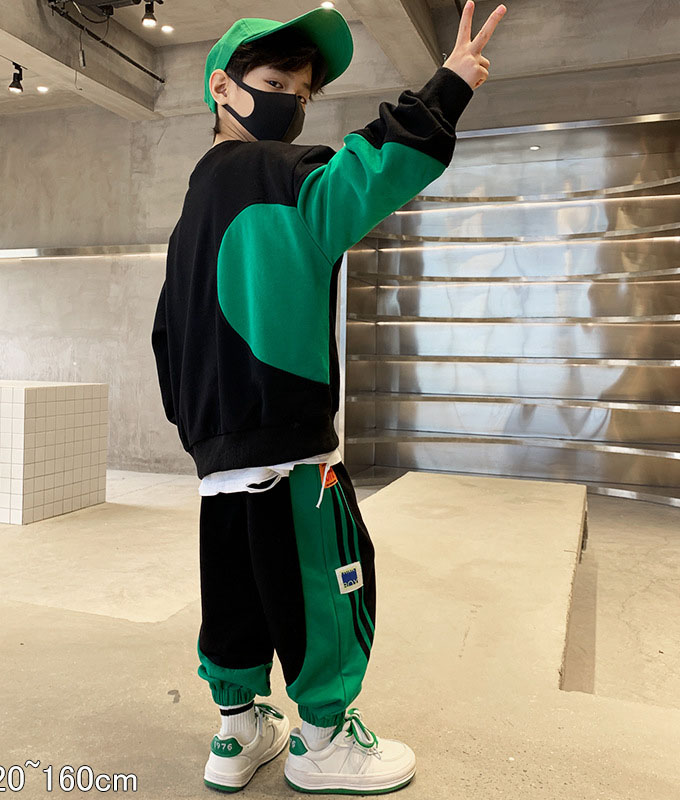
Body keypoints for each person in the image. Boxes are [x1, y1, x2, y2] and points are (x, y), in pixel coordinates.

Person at [151, 2, 506, 793]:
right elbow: (369, 172)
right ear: (221, 87)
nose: (293, 103)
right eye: (276, 83)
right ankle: (324, 744)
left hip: (219, 459)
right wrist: (449, 86)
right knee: (326, 587)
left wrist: (201, 430)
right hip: (289, 444)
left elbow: (166, 332)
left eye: (304, 93)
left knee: (235, 593)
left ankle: (237, 733)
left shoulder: (192, 205)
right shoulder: (283, 173)